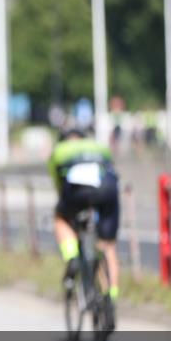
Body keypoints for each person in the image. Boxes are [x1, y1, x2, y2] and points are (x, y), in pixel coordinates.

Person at [48, 128, 121, 328]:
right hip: (107, 190)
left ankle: (72, 256)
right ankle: (111, 297)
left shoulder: (59, 150)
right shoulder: (98, 147)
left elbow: (58, 185)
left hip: (77, 192)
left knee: (60, 217)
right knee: (107, 246)